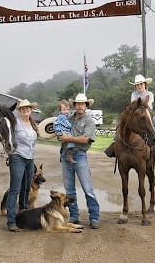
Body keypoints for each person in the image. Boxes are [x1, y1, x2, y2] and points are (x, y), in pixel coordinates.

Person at [59, 93, 100, 229]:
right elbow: (60, 133)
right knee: (69, 190)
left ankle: (94, 217)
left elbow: (85, 139)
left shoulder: (89, 121)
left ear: (86, 106)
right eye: (78, 104)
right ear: (75, 105)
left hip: (80, 155)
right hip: (66, 155)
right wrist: (60, 136)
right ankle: (74, 215)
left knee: (87, 189)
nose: (80, 106)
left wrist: (68, 139)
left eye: (83, 104)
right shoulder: (68, 119)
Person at [7, 99, 39, 232]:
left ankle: (23, 215)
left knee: (26, 188)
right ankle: (11, 221)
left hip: (30, 158)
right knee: (15, 189)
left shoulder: (32, 123)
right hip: (18, 157)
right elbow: (7, 138)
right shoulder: (15, 123)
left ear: (31, 110)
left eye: (28, 108)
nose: (25, 110)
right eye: (23, 108)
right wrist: (9, 154)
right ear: (19, 111)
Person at [130, 74, 155, 158]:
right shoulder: (133, 94)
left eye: (141, 84)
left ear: (145, 84)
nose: (139, 86)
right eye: (137, 85)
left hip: (147, 115)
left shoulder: (150, 94)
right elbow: (133, 104)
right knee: (122, 125)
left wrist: (141, 104)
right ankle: (117, 143)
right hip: (136, 116)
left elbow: (149, 105)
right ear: (135, 86)